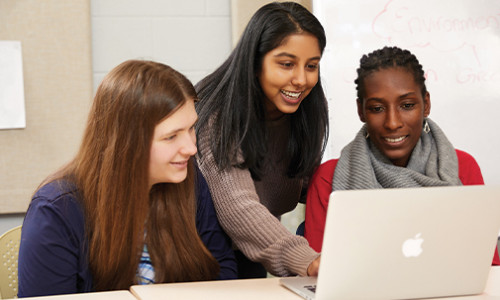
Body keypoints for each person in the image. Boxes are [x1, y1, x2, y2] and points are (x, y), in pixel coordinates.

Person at [18, 60, 237, 297]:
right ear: (126, 143)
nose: (191, 148)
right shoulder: (57, 210)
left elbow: (221, 273)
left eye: (191, 128)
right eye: (171, 136)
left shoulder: (188, 181)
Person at [304, 46, 500, 265]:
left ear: (426, 104)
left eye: (407, 105)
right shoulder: (328, 177)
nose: (393, 123)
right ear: (361, 111)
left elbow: (488, 267)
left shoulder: (463, 167)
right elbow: (316, 271)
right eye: (377, 108)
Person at [194, 2, 328, 278]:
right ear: (255, 63)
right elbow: (238, 206)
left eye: (311, 65)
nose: (301, 79)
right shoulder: (217, 114)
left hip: (251, 257)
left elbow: (311, 185)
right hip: (200, 260)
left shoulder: (305, 111)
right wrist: (306, 259)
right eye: (287, 64)